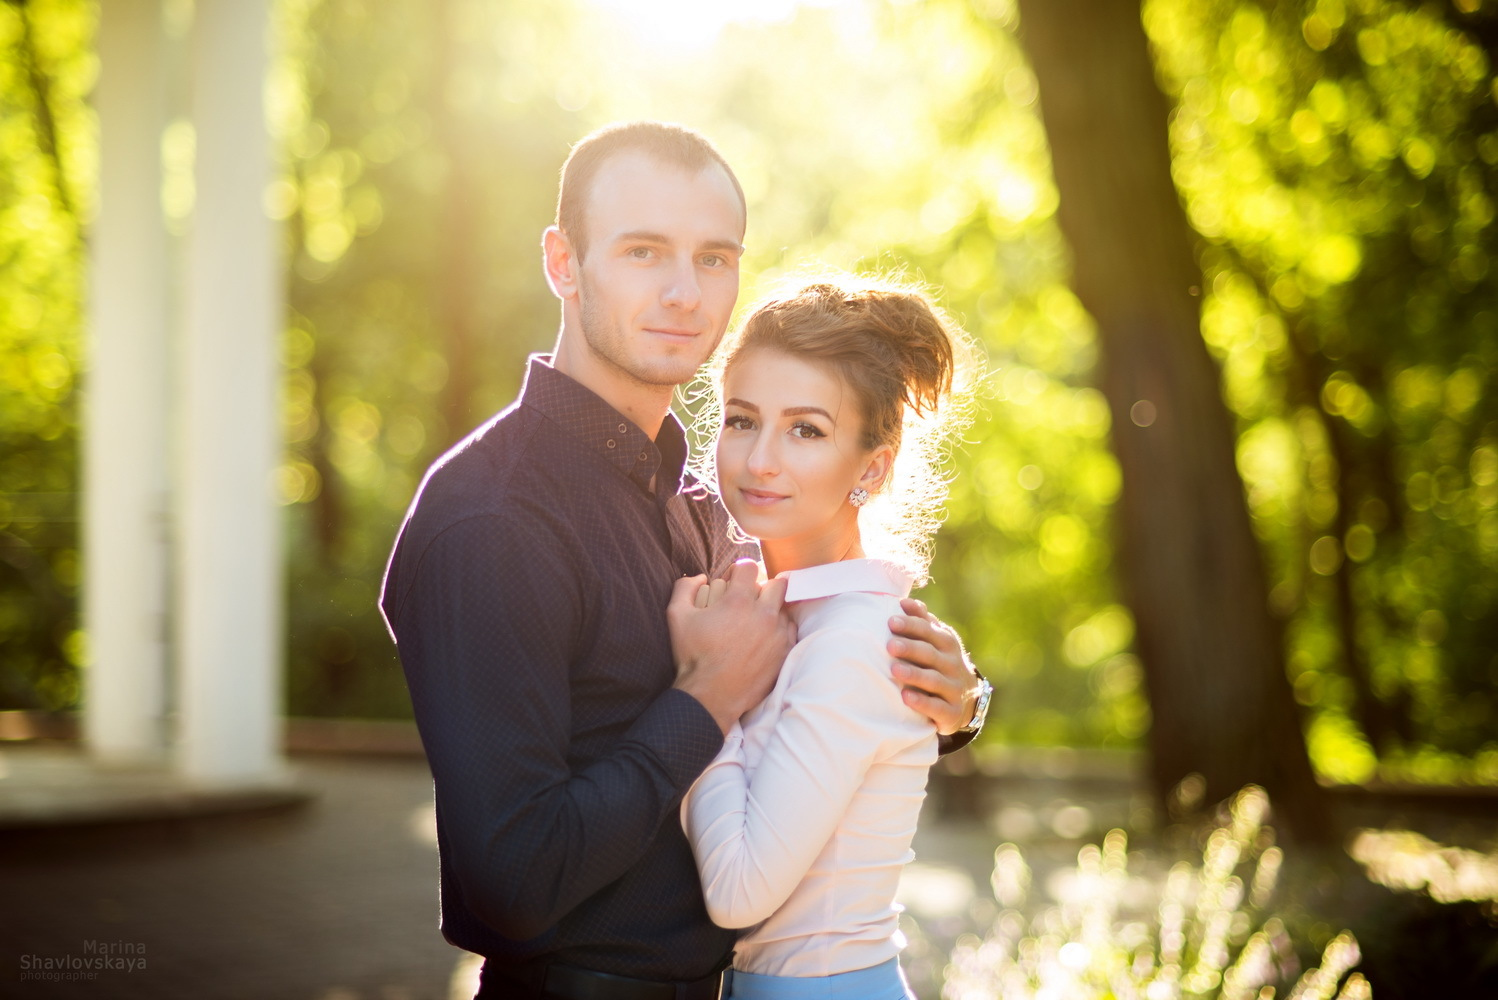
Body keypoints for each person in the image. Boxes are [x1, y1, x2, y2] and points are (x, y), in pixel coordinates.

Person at [379, 121, 991, 1000]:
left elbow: (822, 697)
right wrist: (702, 701)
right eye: (642, 252)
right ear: (563, 263)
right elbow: (513, 884)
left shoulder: (707, 501)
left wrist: (953, 705)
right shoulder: (494, 522)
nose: (683, 292)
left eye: (713, 258)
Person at [677, 277, 974, 1000]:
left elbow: (740, 892)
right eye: (742, 420)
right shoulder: (783, 612)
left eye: (806, 429)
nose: (760, 460)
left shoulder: (855, 638)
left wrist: (699, 697)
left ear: (872, 465)